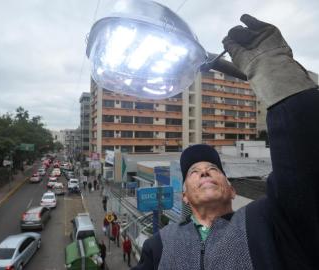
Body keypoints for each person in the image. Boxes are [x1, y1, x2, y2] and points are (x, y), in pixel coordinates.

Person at [133, 15, 319, 270]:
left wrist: (273, 68)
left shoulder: (270, 221)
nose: (205, 171)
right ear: (185, 196)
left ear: (232, 190)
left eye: (214, 169)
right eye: (194, 172)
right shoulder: (158, 246)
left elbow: (304, 163)